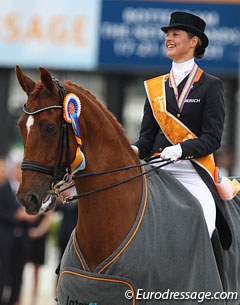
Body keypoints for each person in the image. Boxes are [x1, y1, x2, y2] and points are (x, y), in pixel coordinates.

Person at [132, 11, 233, 254]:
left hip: (193, 171)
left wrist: (180, 149)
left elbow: (212, 139)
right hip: (157, 168)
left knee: (208, 225)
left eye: (175, 34)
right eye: (167, 34)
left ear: (194, 41)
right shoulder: (154, 87)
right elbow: (147, 137)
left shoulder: (211, 85)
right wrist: (134, 149)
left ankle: (212, 281)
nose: (169, 38)